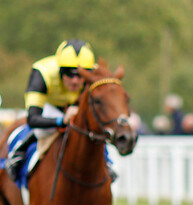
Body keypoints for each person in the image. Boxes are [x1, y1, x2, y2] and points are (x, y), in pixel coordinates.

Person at [5, 40, 113, 180]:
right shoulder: (42, 72)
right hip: (51, 107)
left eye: (81, 74)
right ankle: (19, 153)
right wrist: (62, 120)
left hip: (79, 107)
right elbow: (32, 119)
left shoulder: (97, 75)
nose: (75, 81)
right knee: (42, 131)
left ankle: (107, 162)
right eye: (69, 73)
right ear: (60, 70)